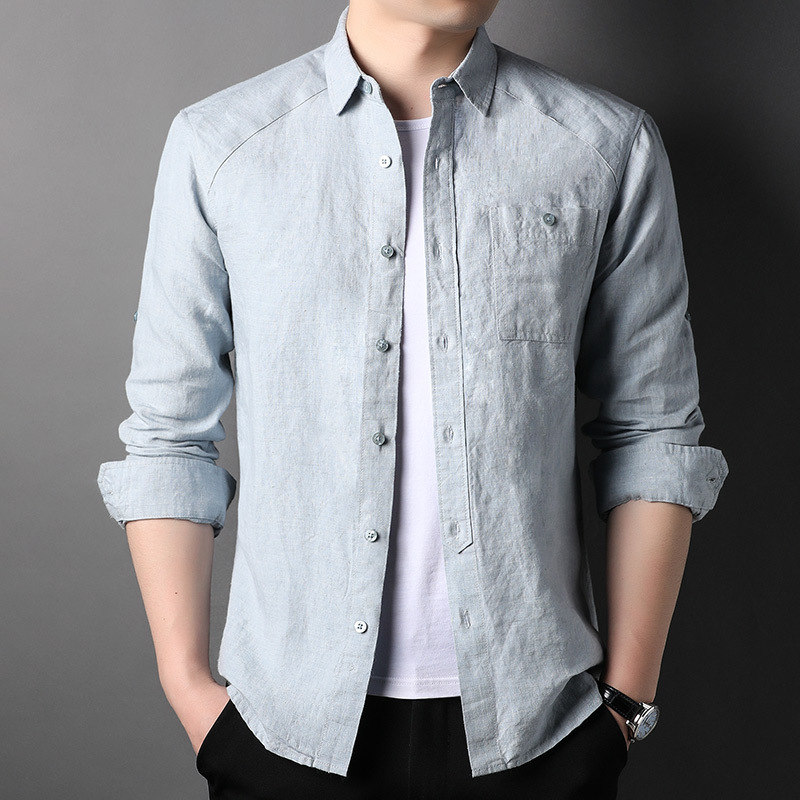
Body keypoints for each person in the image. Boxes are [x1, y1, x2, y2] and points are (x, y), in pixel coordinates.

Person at [96, 1, 729, 798]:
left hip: (541, 736)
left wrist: (625, 707)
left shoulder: (605, 146)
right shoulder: (222, 145)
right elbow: (168, 436)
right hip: (286, 735)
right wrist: (191, 690)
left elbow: (654, 432)